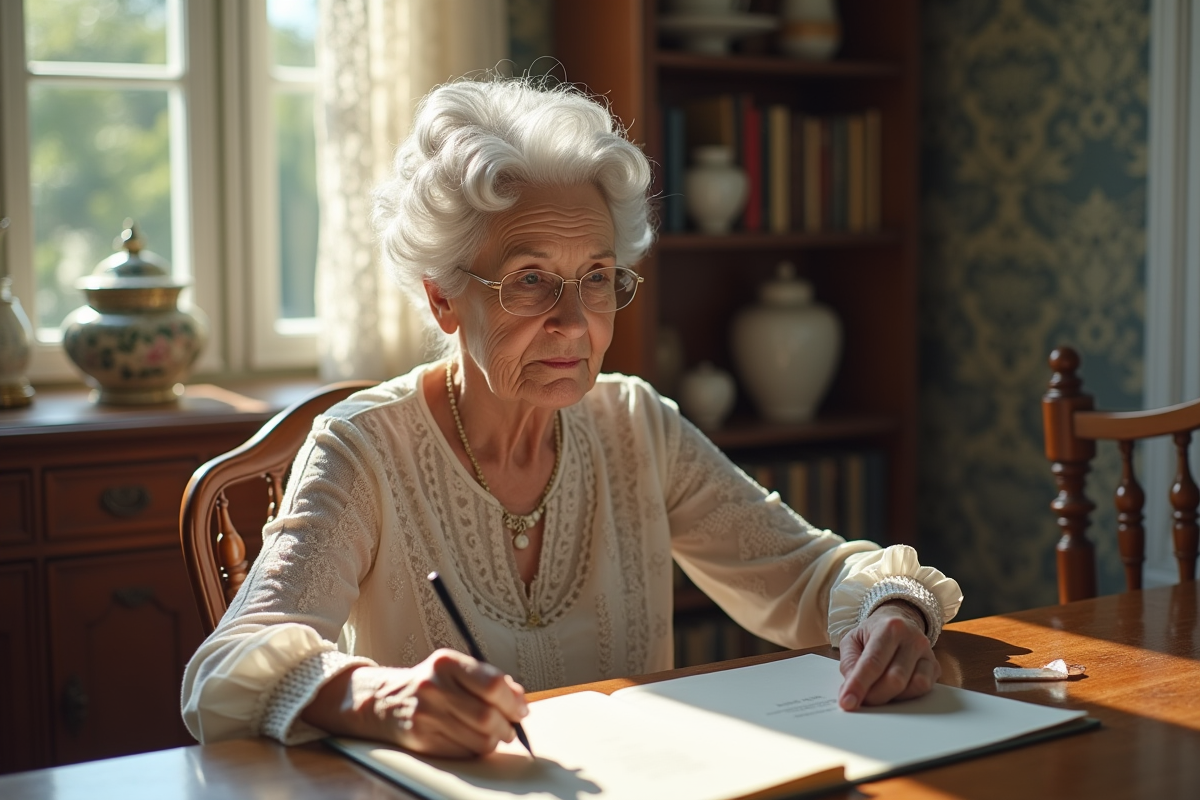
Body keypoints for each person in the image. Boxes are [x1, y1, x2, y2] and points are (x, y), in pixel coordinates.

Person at [181, 76, 962, 759]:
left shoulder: (635, 425)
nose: (574, 322)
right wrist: (371, 697)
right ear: (442, 297)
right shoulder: (364, 450)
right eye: (529, 280)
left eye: (596, 277)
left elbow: (810, 576)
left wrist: (894, 609)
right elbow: (226, 666)